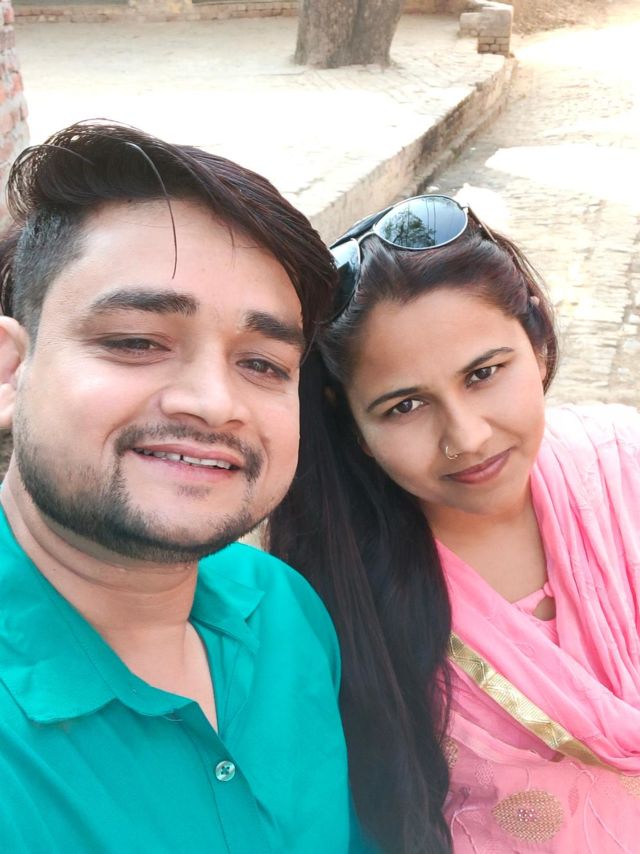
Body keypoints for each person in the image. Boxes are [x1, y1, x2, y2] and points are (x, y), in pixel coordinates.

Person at [0, 120, 352, 852]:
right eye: (136, 341)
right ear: (11, 371)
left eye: (262, 364)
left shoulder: (284, 609)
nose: (214, 403)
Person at [268, 194, 640, 853]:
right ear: (351, 424)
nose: (466, 438)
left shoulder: (625, 467)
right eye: (404, 406)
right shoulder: (338, 593)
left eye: (484, 373)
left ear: (535, 337)